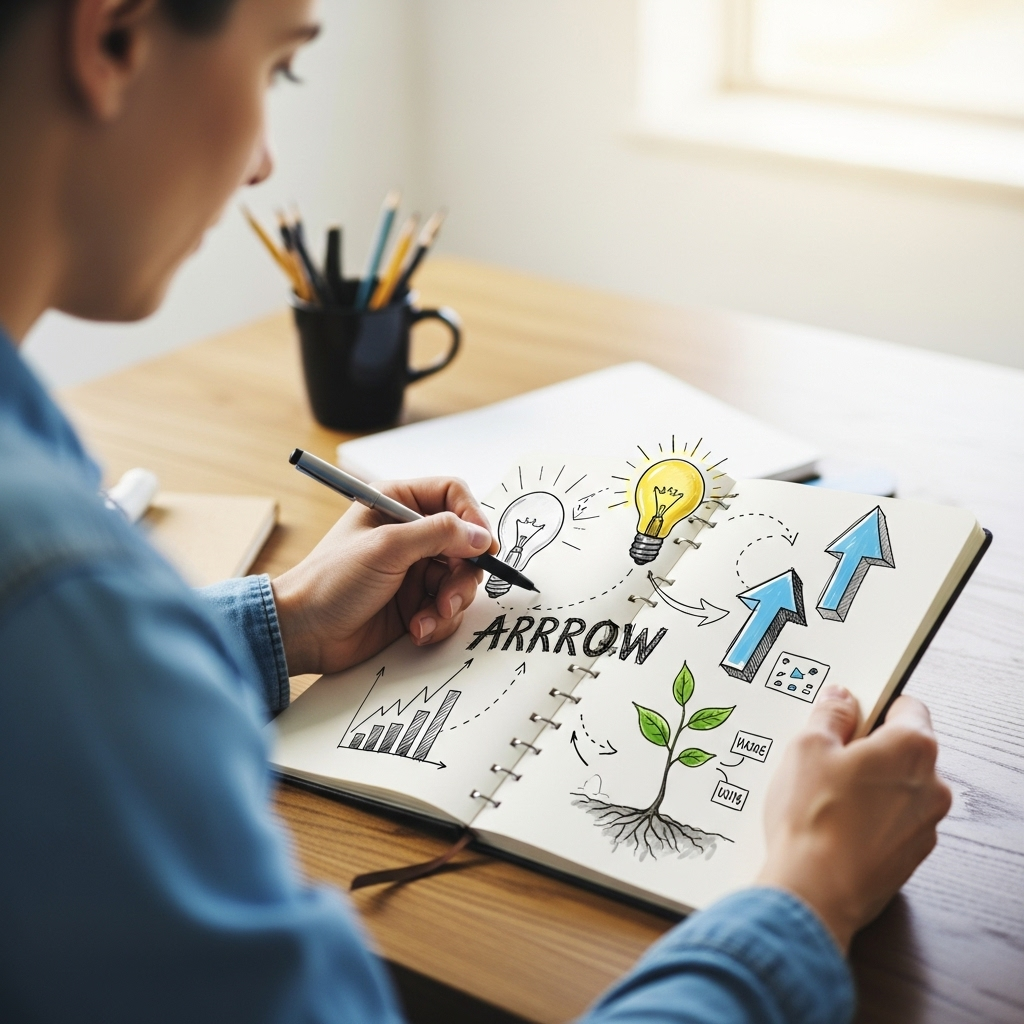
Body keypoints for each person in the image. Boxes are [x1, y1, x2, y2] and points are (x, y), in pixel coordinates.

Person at [0, 1, 952, 1021]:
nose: (265, 163)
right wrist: (805, 899)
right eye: (279, 69)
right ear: (113, 38)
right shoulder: (55, 591)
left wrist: (278, 622)